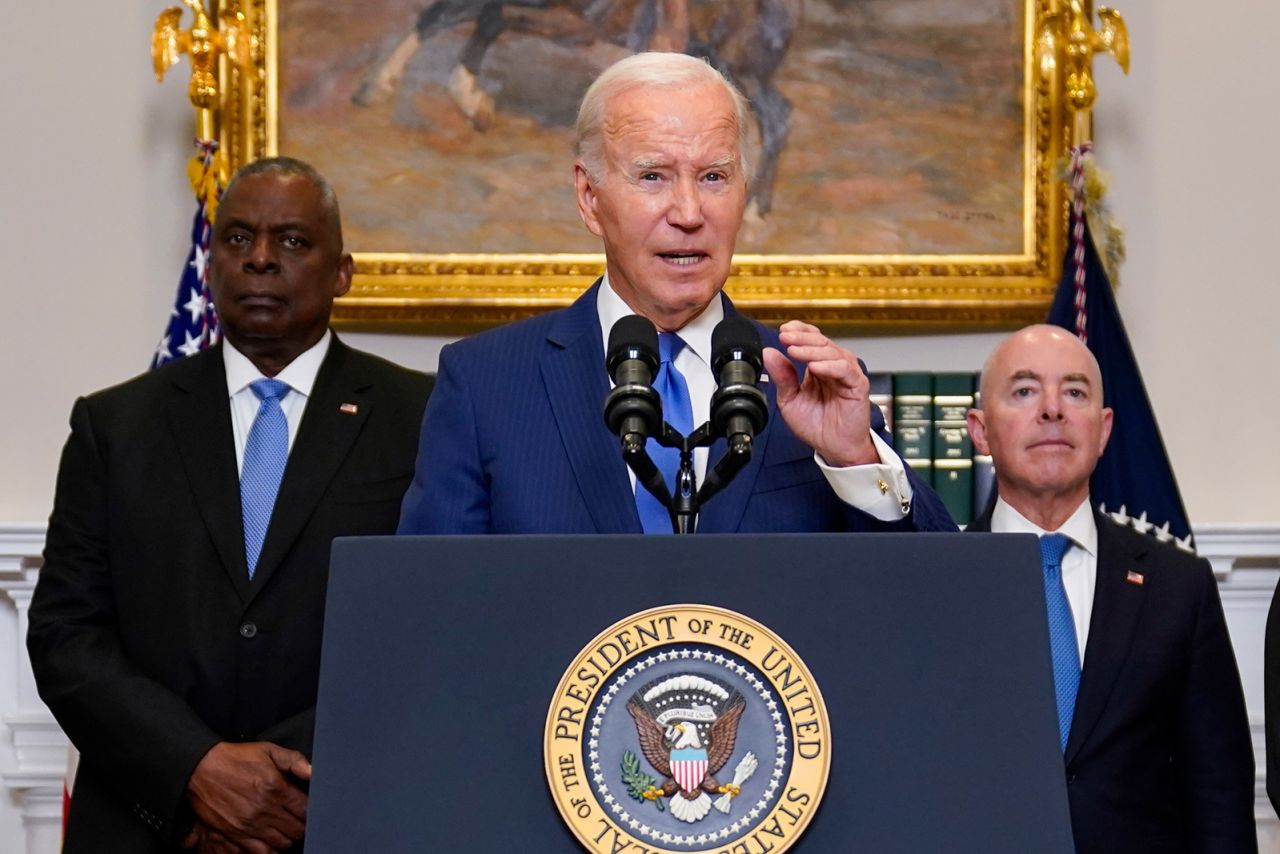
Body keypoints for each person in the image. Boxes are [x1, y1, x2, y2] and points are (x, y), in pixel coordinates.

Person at [27, 157, 434, 853]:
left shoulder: (424, 417)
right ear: (210, 264)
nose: (263, 260)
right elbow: (66, 635)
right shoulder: (116, 425)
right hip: (151, 822)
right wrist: (197, 769)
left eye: (294, 242)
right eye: (238, 239)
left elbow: (432, 630)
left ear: (343, 272)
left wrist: (276, 791)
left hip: (345, 818)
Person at [397, 52, 955, 535]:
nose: (689, 214)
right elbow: (432, 609)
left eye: (714, 177)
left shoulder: (811, 383)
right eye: (653, 177)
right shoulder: (485, 383)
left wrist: (853, 458)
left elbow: (936, 599)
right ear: (589, 198)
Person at [966, 325, 1254, 852]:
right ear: (980, 431)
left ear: (1103, 430)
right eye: (1025, 391)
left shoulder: (1179, 586)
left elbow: (1220, 794)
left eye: (1074, 392)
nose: (1052, 409)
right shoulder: (943, 581)